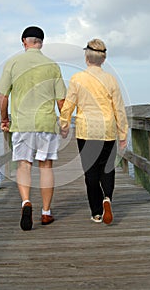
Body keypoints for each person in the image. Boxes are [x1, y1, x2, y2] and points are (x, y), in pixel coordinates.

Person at [0, 26, 66, 231]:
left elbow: (3, 97)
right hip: (46, 122)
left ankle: (26, 201)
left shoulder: (13, 63)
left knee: (24, 165)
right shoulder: (52, 65)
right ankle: (46, 212)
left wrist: (4, 120)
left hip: (22, 123)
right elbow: (62, 100)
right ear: (41, 42)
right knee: (46, 166)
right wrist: (64, 122)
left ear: (24, 41)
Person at [60, 38, 128, 224]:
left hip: (86, 130)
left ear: (86, 57)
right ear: (103, 60)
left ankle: (97, 212)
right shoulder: (111, 79)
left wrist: (64, 125)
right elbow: (119, 109)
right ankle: (107, 198)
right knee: (107, 167)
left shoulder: (77, 79)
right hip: (107, 130)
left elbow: (68, 106)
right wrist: (123, 134)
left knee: (90, 171)